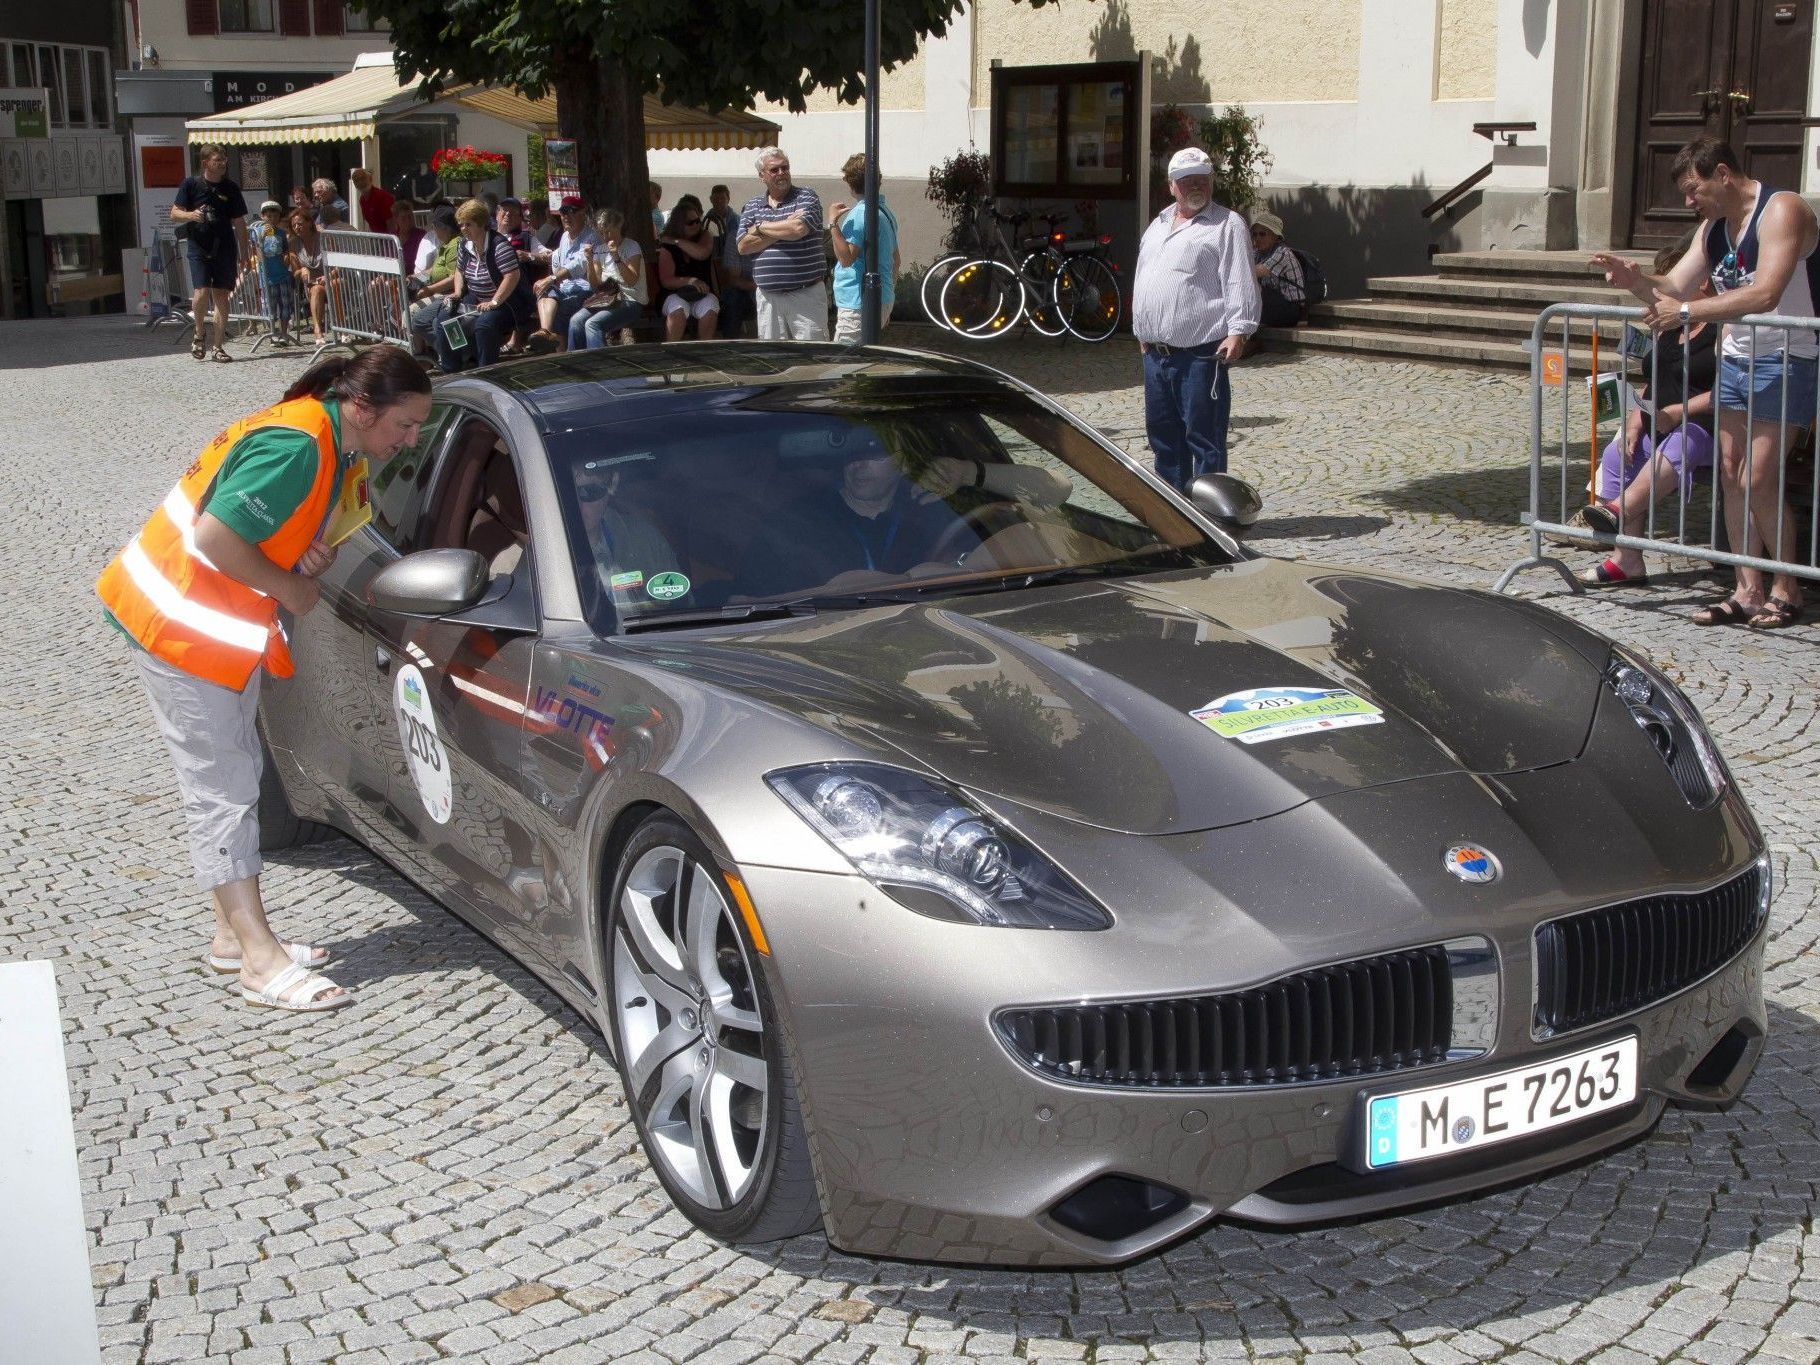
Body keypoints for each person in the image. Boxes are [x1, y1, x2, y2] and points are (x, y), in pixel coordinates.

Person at [95, 348, 432, 1012]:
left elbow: (253, 521)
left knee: (237, 774)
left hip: (197, 625)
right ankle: (257, 957)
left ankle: (230, 935)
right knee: (220, 789)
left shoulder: (326, 436)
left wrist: (298, 547)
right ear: (362, 408)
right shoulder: (300, 444)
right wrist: (289, 587)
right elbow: (216, 536)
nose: (411, 440)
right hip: (180, 627)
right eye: (406, 425)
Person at [1593, 135, 1813, 629]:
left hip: (1786, 358)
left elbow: (1765, 293)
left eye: (1695, 190)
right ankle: (1747, 589)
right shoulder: (1714, 227)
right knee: (1733, 475)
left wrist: (1686, 309)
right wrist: (1635, 281)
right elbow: (1674, 287)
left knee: (1759, 477)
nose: (1690, 202)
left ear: (1724, 175)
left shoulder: (1782, 210)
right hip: (1737, 358)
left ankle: (1787, 586)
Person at [1576, 240, 1719, 588]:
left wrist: (1676, 411)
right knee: (1618, 452)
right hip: (1663, 421)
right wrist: (1636, 418)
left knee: (1683, 444)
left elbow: (1728, 391)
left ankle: (1617, 510)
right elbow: (1656, 379)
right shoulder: (1670, 324)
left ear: (1701, 282)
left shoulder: (1721, 327)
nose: (1665, 288)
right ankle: (1627, 559)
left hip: (1712, 428)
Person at [1132, 145, 1259, 492]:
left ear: (1212, 181)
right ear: (1172, 185)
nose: (1194, 186)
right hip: (1156, 355)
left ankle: (1209, 518)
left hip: (1201, 354)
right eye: (1186, 180)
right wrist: (1141, 328)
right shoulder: (1157, 224)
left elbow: (1239, 279)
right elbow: (1145, 275)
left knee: (1205, 439)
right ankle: (1174, 514)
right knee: (1163, 439)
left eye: (1201, 179)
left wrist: (1238, 331)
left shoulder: (1226, 224)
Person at [171, 144, 252, 363]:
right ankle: (199, 333)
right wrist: (191, 215)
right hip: (199, 245)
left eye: (224, 159)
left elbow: (239, 222)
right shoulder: (191, 184)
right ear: (206, 163)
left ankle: (218, 346)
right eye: (218, 160)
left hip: (224, 246)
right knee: (201, 291)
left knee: (221, 295)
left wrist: (244, 251)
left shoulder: (231, 188)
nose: (223, 163)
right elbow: (174, 213)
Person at [738, 148, 829, 341]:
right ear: (762, 176)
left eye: (785, 168)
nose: (781, 173)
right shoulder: (753, 206)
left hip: (806, 296)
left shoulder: (806, 196)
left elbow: (798, 229)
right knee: (773, 361)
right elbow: (743, 246)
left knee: (812, 361)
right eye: (774, 170)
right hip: (768, 299)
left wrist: (760, 227)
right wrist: (783, 228)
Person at [434, 197, 527, 372]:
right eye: (461, 225)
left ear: (481, 224)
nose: (463, 229)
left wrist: (494, 302)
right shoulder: (464, 245)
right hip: (477, 299)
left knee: (484, 325)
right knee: (444, 318)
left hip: (506, 303)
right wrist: (457, 293)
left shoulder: (499, 246)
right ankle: (453, 368)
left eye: (468, 225)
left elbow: (512, 276)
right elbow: (460, 271)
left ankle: (486, 372)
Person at [828, 152, 900, 343]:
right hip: (880, 297)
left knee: (844, 362)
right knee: (865, 359)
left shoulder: (860, 213)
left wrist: (833, 223)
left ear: (850, 184)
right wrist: (886, 300)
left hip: (857, 301)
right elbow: (896, 261)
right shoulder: (885, 212)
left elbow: (846, 258)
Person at [568, 207, 648, 350]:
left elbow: (632, 280)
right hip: (605, 300)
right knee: (576, 321)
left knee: (593, 324)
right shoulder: (599, 249)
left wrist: (616, 257)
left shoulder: (631, 246)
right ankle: (576, 364)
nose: (605, 237)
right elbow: (595, 285)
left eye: (608, 231)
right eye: (601, 233)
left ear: (618, 227)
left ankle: (600, 366)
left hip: (630, 300)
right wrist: (590, 261)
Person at [529, 196, 600, 349]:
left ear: (583, 213)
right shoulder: (564, 237)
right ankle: (545, 332)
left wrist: (552, 278)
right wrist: (549, 280)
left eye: (572, 212)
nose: (566, 217)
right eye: (563, 212)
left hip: (588, 290)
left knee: (558, 308)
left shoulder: (592, 237)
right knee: (544, 290)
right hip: (566, 289)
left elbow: (579, 265)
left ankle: (560, 351)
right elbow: (558, 263)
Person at [657, 195, 720, 341]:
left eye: (697, 221)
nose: (696, 225)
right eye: (690, 222)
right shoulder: (667, 248)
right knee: (678, 310)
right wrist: (690, 281)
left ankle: (704, 350)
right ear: (679, 224)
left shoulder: (705, 235)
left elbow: (702, 253)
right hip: (674, 293)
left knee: (710, 306)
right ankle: (672, 352)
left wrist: (676, 241)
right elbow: (667, 280)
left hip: (702, 293)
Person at [407, 204, 462, 357]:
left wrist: (429, 290)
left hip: (448, 294)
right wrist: (417, 276)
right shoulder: (446, 245)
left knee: (413, 314)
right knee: (404, 308)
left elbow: (454, 278)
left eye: (435, 226)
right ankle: (426, 352)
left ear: (445, 228)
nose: (434, 231)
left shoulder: (454, 245)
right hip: (438, 291)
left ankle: (433, 354)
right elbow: (435, 269)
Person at [709, 183, 755, 338]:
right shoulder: (734, 237)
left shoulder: (772, 236)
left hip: (771, 288)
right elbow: (734, 279)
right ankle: (730, 343)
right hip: (748, 288)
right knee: (733, 296)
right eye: (748, 220)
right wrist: (758, 286)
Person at [249, 200, 297, 347]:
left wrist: (287, 259)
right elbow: (256, 250)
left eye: (274, 215)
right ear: (263, 217)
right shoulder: (257, 233)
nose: (271, 218)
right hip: (267, 277)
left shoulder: (281, 233)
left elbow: (284, 251)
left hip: (281, 274)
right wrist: (262, 237)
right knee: (270, 307)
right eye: (268, 215)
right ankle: (272, 333)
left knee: (285, 306)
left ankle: (283, 333)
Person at [1249, 210, 1306, 327]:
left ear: (1275, 236)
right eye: (1255, 234)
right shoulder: (1258, 253)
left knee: (1252, 288)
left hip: (1291, 309)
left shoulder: (1282, 253)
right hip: (1274, 305)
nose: (1257, 238)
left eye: (1262, 234)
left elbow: (1253, 272)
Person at [288, 210, 327, 345]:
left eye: (300, 223)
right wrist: (302, 270)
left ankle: (343, 330)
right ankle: (317, 329)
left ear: (310, 223)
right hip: (311, 284)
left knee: (334, 284)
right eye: (294, 225)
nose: (297, 227)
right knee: (316, 290)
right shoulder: (293, 244)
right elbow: (295, 272)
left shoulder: (323, 237)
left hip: (331, 279)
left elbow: (338, 264)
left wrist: (328, 276)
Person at [350, 166, 394, 234]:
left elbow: (391, 223)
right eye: (356, 180)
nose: (360, 182)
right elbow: (367, 222)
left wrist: (390, 242)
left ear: (370, 179)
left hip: (388, 239)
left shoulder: (382, 196)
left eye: (363, 178)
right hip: (376, 239)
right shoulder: (362, 200)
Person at [390, 198, 425, 273]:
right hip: (394, 276)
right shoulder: (392, 238)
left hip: (413, 277)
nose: (408, 221)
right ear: (396, 219)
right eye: (403, 218)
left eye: (410, 217)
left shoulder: (421, 236)